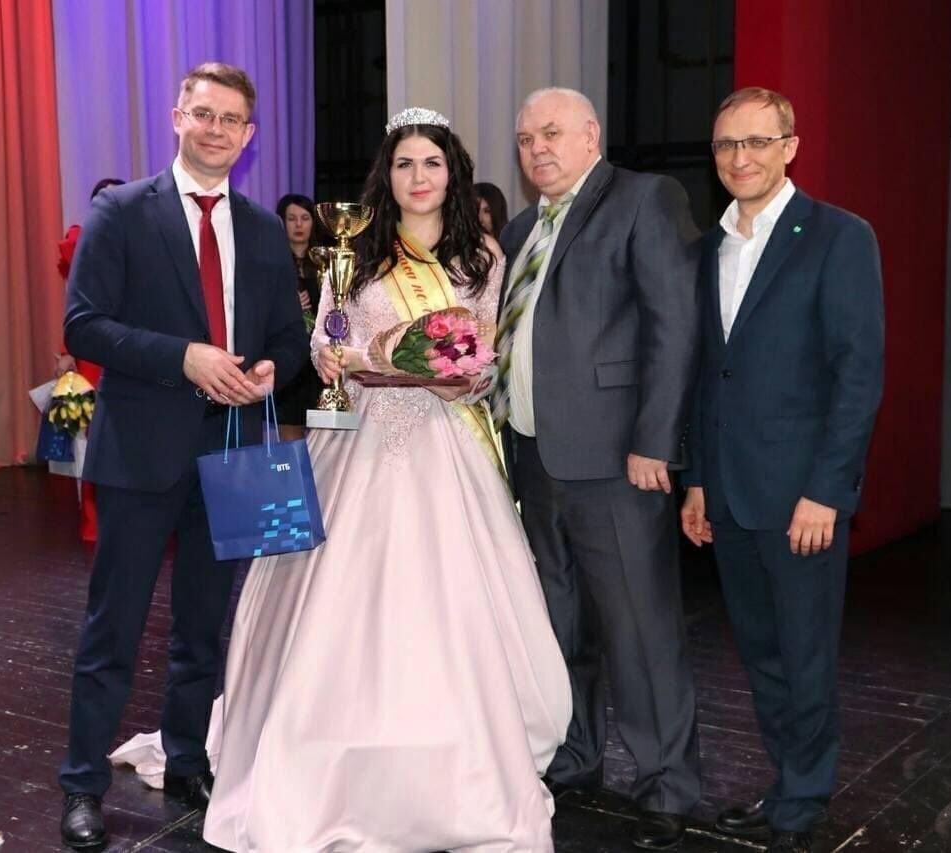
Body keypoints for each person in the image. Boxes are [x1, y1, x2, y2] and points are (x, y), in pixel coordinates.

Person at [114, 107, 573, 851]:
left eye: (431, 163)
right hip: (356, 442)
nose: (418, 177)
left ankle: (457, 763)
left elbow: (480, 358)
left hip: (442, 445)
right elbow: (327, 340)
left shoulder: (480, 253)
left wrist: (445, 370)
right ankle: (318, 752)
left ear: (451, 170)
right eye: (403, 164)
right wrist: (336, 360)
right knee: (333, 602)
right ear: (385, 176)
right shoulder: (353, 248)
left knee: (448, 605)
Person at [57, 62, 307, 851]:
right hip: (139, 454)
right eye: (202, 113)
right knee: (114, 628)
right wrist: (184, 358)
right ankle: (82, 784)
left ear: (250, 135)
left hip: (231, 449)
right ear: (176, 118)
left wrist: (269, 369)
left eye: (231, 119)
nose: (215, 129)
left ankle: (189, 754)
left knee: (205, 626)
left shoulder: (266, 230)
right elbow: (84, 326)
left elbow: (288, 341)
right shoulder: (122, 212)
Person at [483, 87, 702, 850]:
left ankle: (667, 782)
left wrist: (656, 439)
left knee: (639, 629)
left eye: (550, 133)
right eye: (523, 138)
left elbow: (675, 328)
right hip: (534, 460)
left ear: (589, 135)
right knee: (558, 625)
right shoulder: (520, 228)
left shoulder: (644, 199)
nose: (536, 148)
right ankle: (575, 757)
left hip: (616, 461)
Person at [680, 87, 884, 853]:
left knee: (804, 652)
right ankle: (783, 778)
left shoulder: (838, 236)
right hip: (729, 492)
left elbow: (857, 375)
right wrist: (698, 478)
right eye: (728, 144)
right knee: (761, 651)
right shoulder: (709, 248)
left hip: (802, 496)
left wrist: (827, 490)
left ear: (790, 146)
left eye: (758, 142)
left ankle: (804, 792)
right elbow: (708, 375)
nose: (742, 158)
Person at [55, 177, 124, 543]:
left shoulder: (143, 242)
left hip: (135, 354)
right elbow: (75, 305)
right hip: (94, 357)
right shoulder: (82, 240)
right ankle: (95, 523)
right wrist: (67, 351)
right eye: (102, 199)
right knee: (92, 438)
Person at [273, 193, 324, 439]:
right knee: (290, 445)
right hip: (290, 362)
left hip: (322, 363)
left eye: (305, 218)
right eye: (291, 218)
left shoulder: (326, 262)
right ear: (281, 222)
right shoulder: (273, 262)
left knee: (324, 445)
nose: (299, 225)